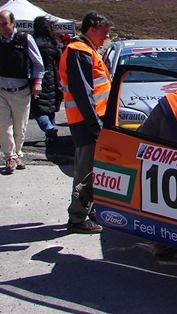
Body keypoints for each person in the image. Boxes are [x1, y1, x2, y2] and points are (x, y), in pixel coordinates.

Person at [59, 12, 113, 234]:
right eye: (104, 32)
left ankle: (87, 212)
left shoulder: (87, 50)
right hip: (87, 121)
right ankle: (77, 218)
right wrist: (95, 126)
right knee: (85, 171)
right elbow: (83, 93)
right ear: (92, 29)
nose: (107, 36)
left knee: (92, 170)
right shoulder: (79, 51)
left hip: (92, 120)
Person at [0, 10, 44, 174]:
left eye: (5, 23)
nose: (1, 27)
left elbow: (38, 64)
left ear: (13, 23)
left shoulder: (24, 40)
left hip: (21, 91)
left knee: (19, 127)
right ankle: (9, 156)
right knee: (2, 125)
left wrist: (37, 82)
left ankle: (18, 154)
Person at [31, 16, 63, 144]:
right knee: (50, 106)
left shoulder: (33, 42)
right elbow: (60, 59)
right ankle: (51, 133)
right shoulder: (54, 43)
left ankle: (49, 129)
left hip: (37, 77)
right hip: (52, 76)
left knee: (38, 109)